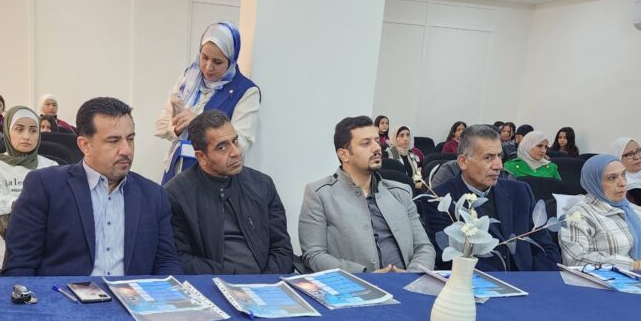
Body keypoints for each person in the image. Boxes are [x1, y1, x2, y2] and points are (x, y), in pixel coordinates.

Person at [2, 97, 182, 276]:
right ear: (85, 145)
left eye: (130, 138)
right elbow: (19, 266)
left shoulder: (153, 195)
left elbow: (166, 262)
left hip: (133, 293)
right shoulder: (45, 186)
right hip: (63, 293)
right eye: (113, 140)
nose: (126, 150)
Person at [298, 116, 435, 274]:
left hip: (407, 282)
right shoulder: (320, 194)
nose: (377, 148)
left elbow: (424, 247)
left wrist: (410, 276)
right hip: (355, 285)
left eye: (376, 141)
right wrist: (364, 276)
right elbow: (314, 254)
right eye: (366, 143)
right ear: (344, 155)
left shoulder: (401, 192)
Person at [164, 110, 293, 275]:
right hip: (214, 283)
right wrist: (233, 278)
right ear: (201, 157)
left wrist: (264, 282)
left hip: (266, 282)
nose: (236, 152)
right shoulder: (176, 195)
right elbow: (181, 258)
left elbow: (281, 248)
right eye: (222, 147)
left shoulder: (262, 185)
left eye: (235, 141)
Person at [422, 124, 561, 272]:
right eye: (488, 157)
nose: (498, 166)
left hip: (527, 279)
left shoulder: (520, 192)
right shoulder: (440, 200)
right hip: (478, 281)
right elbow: (448, 260)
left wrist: (535, 281)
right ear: (463, 162)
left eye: (499, 156)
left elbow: (546, 249)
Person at [155, 21, 260, 184]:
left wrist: (198, 122)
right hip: (175, 173)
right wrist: (176, 128)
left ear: (231, 60)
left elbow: (240, 144)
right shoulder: (189, 80)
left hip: (212, 180)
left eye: (217, 62)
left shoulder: (245, 91)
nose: (208, 67)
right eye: (204, 57)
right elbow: (160, 126)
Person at [559, 154, 641, 276]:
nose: (623, 183)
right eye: (611, 178)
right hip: (608, 284)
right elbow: (576, 260)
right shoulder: (578, 216)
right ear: (594, 182)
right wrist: (636, 266)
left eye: (624, 175)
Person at [0, 106, 57, 274]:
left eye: (33, 130)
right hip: (2, 237)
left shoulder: (51, 166)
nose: (26, 136)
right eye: (19, 129)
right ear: (7, 131)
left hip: (47, 235)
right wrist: (31, 205)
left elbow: (59, 205)